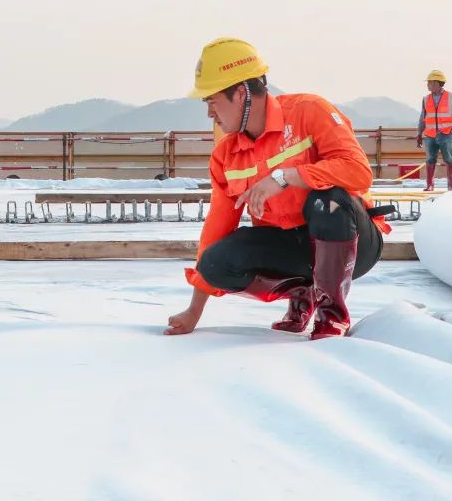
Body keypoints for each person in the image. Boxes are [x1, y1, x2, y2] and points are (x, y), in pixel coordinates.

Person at [165, 38, 391, 340]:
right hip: (294, 248)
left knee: (327, 201)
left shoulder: (309, 112)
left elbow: (359, 172)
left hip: (352, 239)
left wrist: (287, 177)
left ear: (241, 93)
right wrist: (193, 311)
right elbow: (217, 226)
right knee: (214, 264)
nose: (210, 113)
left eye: (212, 101)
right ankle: (304, 293)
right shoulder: (226, 155)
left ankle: (332, 315)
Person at [414, 70, 452, 191]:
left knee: (450, 159)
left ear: (436, 83)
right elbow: (423, 117)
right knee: (430, 159)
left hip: (446, 133)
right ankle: (430, 185)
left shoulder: (451, 96)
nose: (427, 85)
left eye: (429, 82)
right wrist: (419, 134)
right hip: (430, 134)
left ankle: (451, 186)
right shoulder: (426, 99)